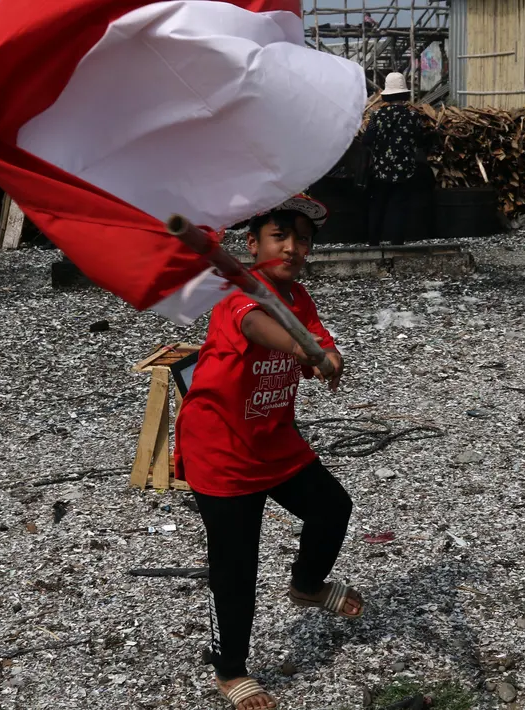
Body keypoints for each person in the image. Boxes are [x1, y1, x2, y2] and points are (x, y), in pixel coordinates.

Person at [174, 195, 360, 710]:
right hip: (222, 448)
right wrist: (303, 349)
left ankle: (305, 584)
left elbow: (320, 340)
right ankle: (231, 671)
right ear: (252, 245)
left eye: (303, 239)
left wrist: (330, 357)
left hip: (275, 439)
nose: (293, 247)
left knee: (332, 508)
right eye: (280, 236)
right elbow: (257, 326)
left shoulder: (298, 298)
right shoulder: (236, 295)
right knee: (236, 568)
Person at [361, 72, 431, 246]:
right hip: (404, 170)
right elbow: (421, 141)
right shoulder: (412, 117)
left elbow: (367, 140)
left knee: (378, 206)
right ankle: (397, 243)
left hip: (380, 170)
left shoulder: (378, 116)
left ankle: (373, 242)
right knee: (400, 207)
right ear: (404, 95)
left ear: (387, 95)